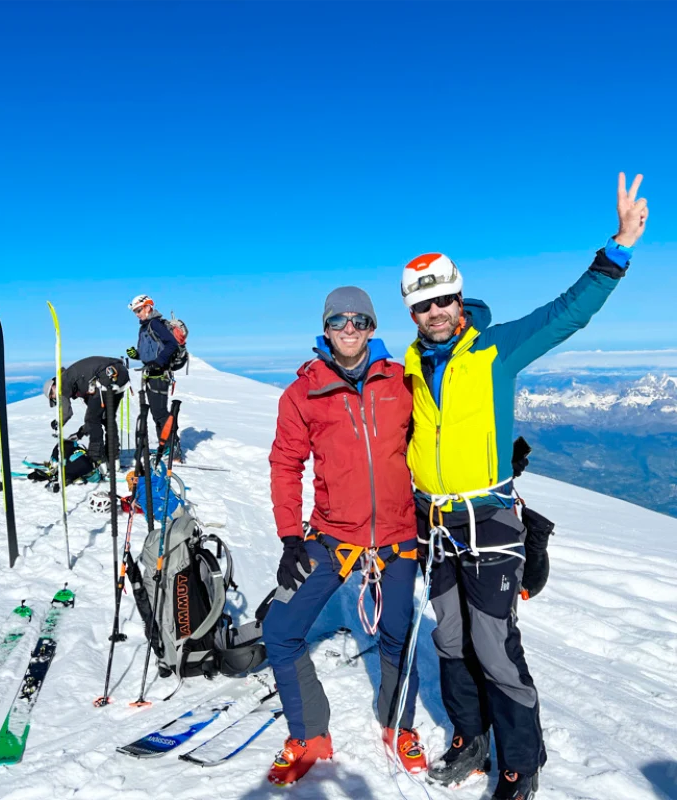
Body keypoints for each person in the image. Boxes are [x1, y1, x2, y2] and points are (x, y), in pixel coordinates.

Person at [401, 173, 648, 800]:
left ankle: (520, 764)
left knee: (494, 645)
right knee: (450, 638)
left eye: (443, 300)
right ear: (413, 312)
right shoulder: (405, 367)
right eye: (422, 305)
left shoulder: (494, 348)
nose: (434, 313)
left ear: (459, 299)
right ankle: (469, 737)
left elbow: (566, 315)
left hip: (488, 519)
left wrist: (616, 249)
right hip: (434, 524)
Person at [263, 286, 422, 787]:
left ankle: (399, 726)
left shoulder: (403, 381)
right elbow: (286, 464)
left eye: (360, 321)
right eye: (339, 321)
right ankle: (310, 736)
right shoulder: (303, 391)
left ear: (373, 328)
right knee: (279, 630)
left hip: (398, 538)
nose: (350, 329)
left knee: (399, 634)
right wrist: (291, 536)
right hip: (332, 539)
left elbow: (440, 435)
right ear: (325, 329)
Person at [44, 355, 129, 464]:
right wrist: (81, 432)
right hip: (120, 373)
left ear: (54, 386)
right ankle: (113, 458)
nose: (55, 397)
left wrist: (58, 422)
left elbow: (67, 412)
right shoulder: (78, 383)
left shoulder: (63, 382)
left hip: (106, 375)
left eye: (52, 395)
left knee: (93, 419)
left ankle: (97, 459)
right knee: (105, 418)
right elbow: (94, 414)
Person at [126, 294, 182, 460]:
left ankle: (173, 447)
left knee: (160, 413)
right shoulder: (144, 328)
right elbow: (147, 353)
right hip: (151, 373)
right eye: (135, 311)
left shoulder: (155, 324)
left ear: (148, 307)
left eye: (139, 310)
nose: (137, 314)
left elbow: (172, 344)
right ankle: (164, 446)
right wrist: (136, 354)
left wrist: (159, 362)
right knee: (157, 414)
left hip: (160, 374)